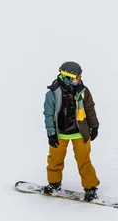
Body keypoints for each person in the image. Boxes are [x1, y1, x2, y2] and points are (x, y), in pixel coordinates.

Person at [43, 61, 100, 201]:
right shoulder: (52, 93)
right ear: (66, 77)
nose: (78, 80)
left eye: (79, 77)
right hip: (59, 133)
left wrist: (95, 126)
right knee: (55, 160)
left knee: (84, 161)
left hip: (80, 132)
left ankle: (90, 188)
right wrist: (51, 134)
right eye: (75, 78)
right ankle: (54, 183)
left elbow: (90, 109)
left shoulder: (83, 91)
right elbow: (49, 114)